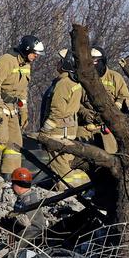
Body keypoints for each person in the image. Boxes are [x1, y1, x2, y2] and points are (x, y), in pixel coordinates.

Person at [0, 34, 44, 177]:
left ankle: (8, 175)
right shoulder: (6, 61)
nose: (36, 57)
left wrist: (23, 111)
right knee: (1, 138)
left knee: (15, 143)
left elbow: (23, 90)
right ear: (26, 50)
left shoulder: (26, 65)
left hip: (12, 107)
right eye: (34, 53)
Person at [40, 51, 85, 183]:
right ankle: (77, 188)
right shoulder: (73, 82)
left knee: (59, 164)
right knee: (67, 162)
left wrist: (45, 130)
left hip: (59, 131)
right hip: (68, 129)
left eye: (60, 61)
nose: (57, 63)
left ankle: (66, 190)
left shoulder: (63, 83)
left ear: (66, 64)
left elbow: (57, 110)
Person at [83, 46, 129, 154]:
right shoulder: (84, 78)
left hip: (109, 130)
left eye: (95, 61)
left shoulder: (115, 77)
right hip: (87, 129)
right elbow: (77, 102)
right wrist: (85, 113)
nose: (93, 64)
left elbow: (125, 97)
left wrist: (115, 109)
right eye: (90, 61)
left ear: (102, 61)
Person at [2, 167, 48, 248]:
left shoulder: (30, 202)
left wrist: (19, 246)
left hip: (29, 240)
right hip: (20, 236)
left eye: (13, 184)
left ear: (19, 185)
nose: (12, 187)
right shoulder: (22, 198)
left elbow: (34, 228)